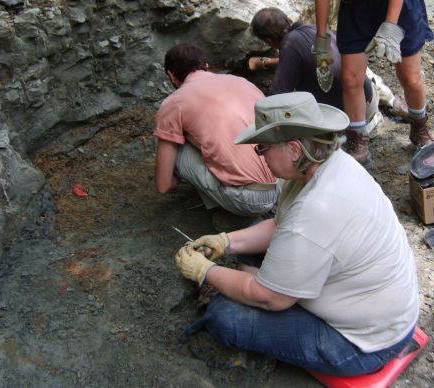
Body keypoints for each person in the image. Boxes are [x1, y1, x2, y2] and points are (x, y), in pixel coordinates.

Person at [174, 92, 418, 376]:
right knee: (254, 236)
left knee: (224, 317)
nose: (261, 156)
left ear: (293, 149)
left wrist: (205, 271)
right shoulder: (325, 167)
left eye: (262, 148)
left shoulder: (318, 209)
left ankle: (264, 292)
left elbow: (271, 298)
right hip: (378, 308)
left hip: (364, 343)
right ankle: (265, 283)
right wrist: (226, 242)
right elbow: (280, 226)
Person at [154, 43, 279, 219]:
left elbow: (163, 185)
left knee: (174, 144)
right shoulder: (242, 82)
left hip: (250, 200)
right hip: (283, 179)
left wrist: (179, 176)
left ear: (171, 75)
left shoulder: (174, 103)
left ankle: (226, 212)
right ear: (206, 65)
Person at [313, 0, 434, 167]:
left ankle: (419, 127)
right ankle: (358, 139)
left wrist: (390, 26)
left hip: (401, 8)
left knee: (410, 77)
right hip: (356, 11)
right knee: (350, 79)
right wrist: (321, 38)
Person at [248, 7, 408, 125]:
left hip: (355, 117)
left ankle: (370, 124)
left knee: (297, 101)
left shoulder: (289, 47)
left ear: (269, 41)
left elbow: (278, 98)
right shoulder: (313, 29)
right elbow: (308, 59)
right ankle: (392, 101)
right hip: (368, 94)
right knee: (355, 67)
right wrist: (267, 63)